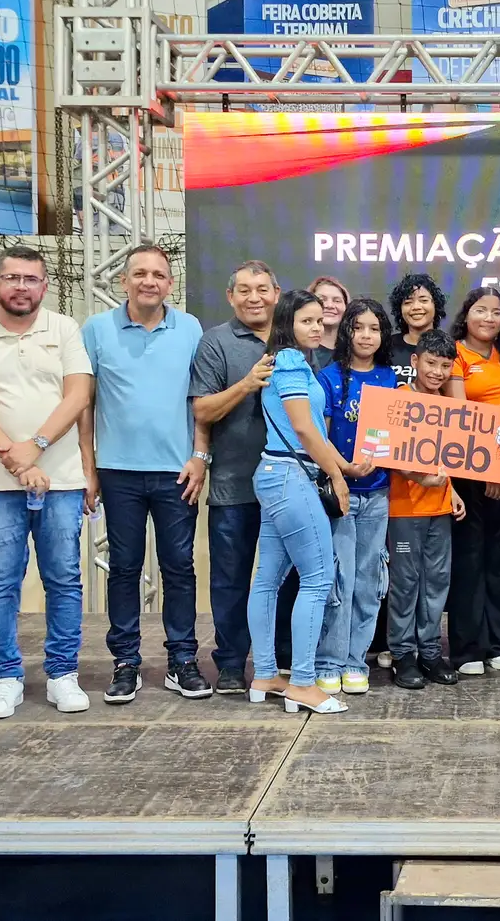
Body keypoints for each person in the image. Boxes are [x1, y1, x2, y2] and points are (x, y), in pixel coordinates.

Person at [0, 245, 94, 720]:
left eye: (31, 279)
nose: (21, 287)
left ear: (44, 286)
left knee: (64, 579)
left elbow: (78, 395)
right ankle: (5, 678)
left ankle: (62, 674)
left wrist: (35, 445)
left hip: (61, 479)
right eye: (12, 278)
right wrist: (16, 459)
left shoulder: (65, 329)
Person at [82, 244, 210, 705]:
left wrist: (200, 456)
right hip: (117, 473)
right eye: (140, 273)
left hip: (178, 473)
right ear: (124, 281)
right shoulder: (97, 329)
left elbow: (201, 400)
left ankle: (182, 660)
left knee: (179, 568)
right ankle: (125, 663)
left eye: (158, 274)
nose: (149, 281)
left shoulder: (190, 328)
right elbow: (84, 403)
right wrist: (88, 468)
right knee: (124, 568)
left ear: (170, 283)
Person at [246, 289, 367, 714]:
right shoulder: (292, 362)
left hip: (277, 474)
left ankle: (265, 674)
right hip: (291, 478)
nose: (317, 327)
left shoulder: (288, 361)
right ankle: (301, 682)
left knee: (268, 580)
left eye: (319, 320)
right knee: (317, 579)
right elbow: (303, 429)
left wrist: (345, 466)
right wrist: (337, 476)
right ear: (287, 323)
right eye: (307, 321)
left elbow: (311, 430)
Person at [190, 259, 279, 693]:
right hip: (233, 484)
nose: (254, 298)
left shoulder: (297, 338)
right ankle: (229, 663)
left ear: (276, 294)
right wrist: (246, 383)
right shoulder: (215, 342)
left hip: (289, 488)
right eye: (244, 290)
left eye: (262, 289)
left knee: (288, 579)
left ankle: (281, 660)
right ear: (230, 296)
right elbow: (202, 410)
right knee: (230, 580)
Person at [315, 298, 396, 695]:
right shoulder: (329, 377)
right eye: (358, 327)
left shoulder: (390, 378)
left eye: (374, 329)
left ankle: (355, 660)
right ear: (346, 331)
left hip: (378, 494)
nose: (366, 336)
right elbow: (320, 435)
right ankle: (328, 660)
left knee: (369, 580)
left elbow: (400, 437)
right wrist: (343, 470)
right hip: (341, 494)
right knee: (338, 580)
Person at [446, 286, 500, 675]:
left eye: (496, 312)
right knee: (469, 557)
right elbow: (461, 414)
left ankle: (498, 643)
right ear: (467, 314)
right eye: (481, 310)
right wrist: (487, 468)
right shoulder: (455, 353)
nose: (489, 318)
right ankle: (466, 649)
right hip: (467, 469)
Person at [386, 329, 466, 689]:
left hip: (439, 510)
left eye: (445, 366)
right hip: (404, 509)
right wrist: (420, 478)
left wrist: (452, 490)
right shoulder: (399, 399)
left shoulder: (448, 405)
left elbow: (448, 459)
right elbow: (389, 454)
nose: (437, 372)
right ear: (415, 361)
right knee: (405, 582)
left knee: (437, 581)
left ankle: (430, 652)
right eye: (431, 363)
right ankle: (403, 654)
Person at [388, 273, 447, 388]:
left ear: (436, 305)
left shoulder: (448, 347)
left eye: (423, 300)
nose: (416, 307)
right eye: (408, 302)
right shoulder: (386, 346)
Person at [309, 275, 349, 371]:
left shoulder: (355, 351)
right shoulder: (299, 353)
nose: (329, 305)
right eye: (322, 300)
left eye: (337, 301)